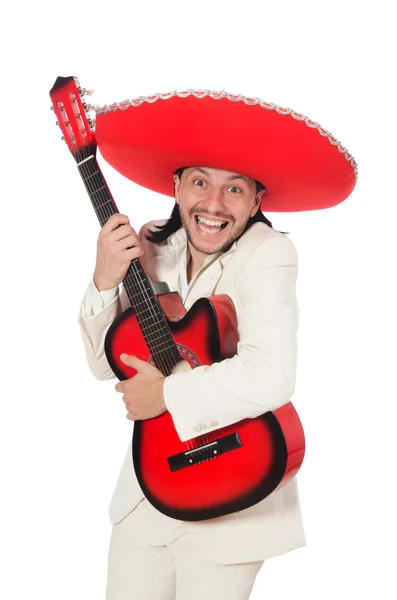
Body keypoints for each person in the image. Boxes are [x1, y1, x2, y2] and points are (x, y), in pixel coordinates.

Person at [78, 90, 357, 599]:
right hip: (147, 490)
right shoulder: (153, 248)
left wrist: (166, 396)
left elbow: (271, 373)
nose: (212, 203)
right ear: (178, 185)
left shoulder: (269, 254)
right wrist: (103, 280)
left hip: (231, 491)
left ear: (256, 201)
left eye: (234, 189)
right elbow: (106, 367)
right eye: (201, 182)